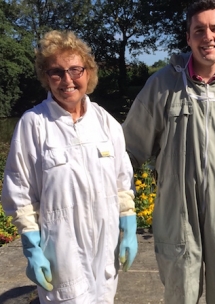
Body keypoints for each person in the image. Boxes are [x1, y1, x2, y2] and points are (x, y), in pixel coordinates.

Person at [122, 0, 215, 303]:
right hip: (177, 213)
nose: (207, 37)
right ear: (188, 37)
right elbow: (129, 151)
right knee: (180, 292)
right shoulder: (162, 84)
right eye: (198, 30)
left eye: (214, 29)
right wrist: (121, 208)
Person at [1, 30, 138, 304]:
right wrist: (31, 246)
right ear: (46, 77)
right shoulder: (34, 124)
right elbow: (19, 191)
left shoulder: (106, 122)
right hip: (60, 254)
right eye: (57, 72)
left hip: (105, 246)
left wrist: (129, 226)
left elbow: (123, 181)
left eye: (76, 69)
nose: (67, 80)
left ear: (88, 73)